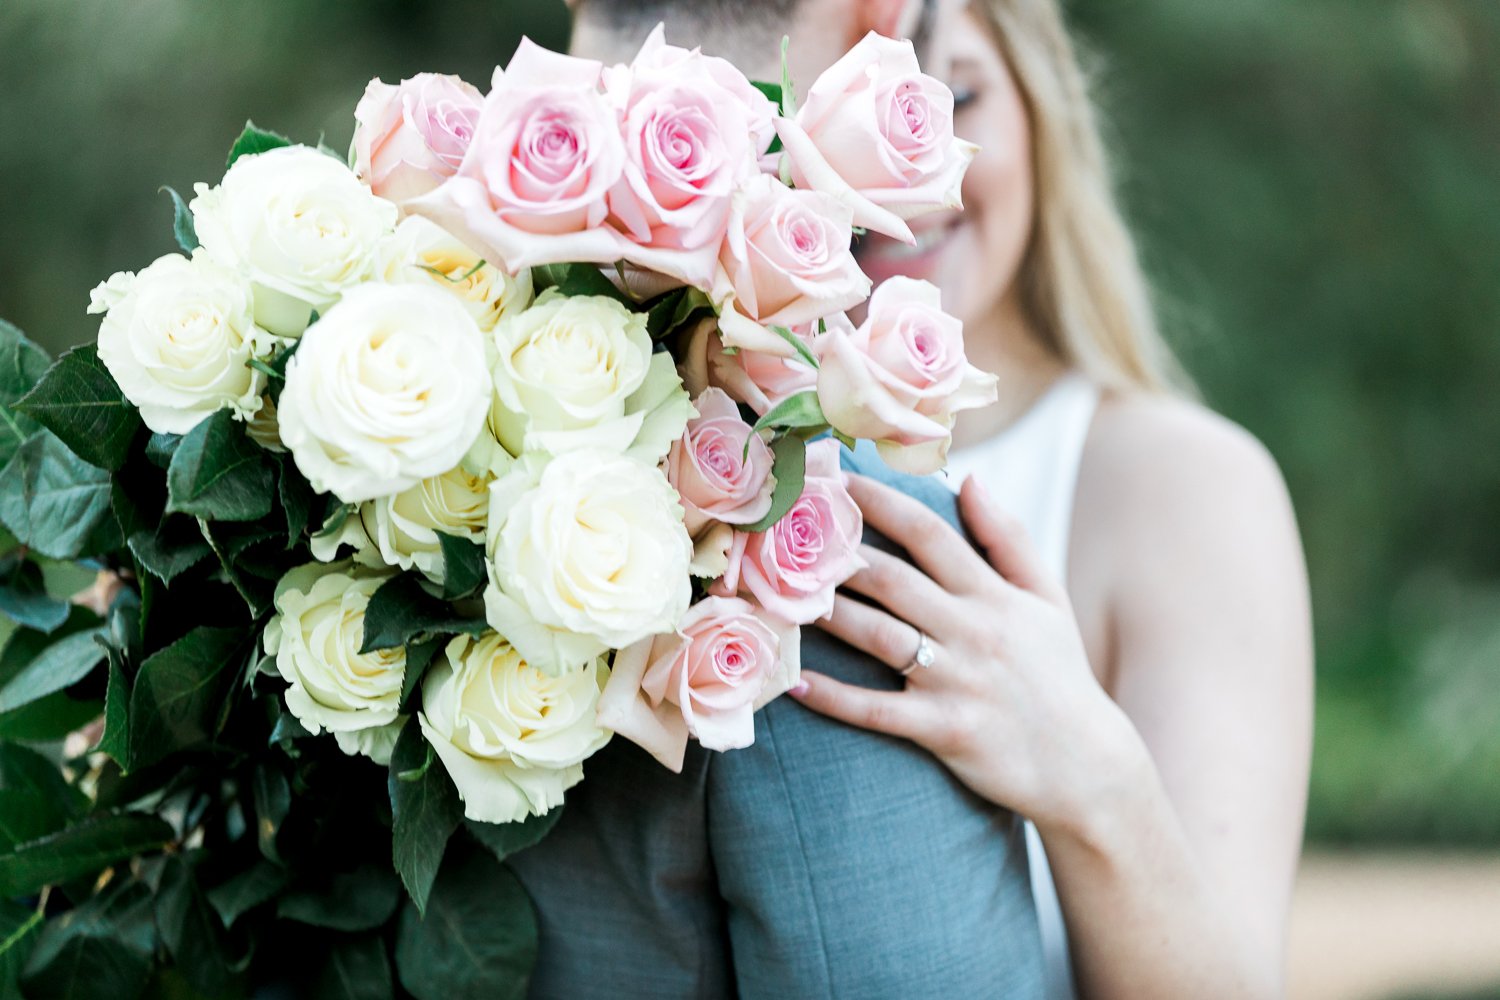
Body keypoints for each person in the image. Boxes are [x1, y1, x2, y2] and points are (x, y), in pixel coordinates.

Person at [510, 1, 1314, 998]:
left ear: (1038, 102)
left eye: (951, 99)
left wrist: (1091, 776)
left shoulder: (1182, 487)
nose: (896, 190)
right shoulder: (641, 464)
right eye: (811, 121)